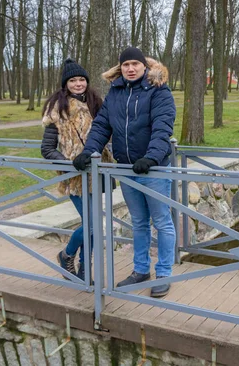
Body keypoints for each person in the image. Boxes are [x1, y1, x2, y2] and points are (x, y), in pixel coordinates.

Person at [73, 46, 177, 298]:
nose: (130, 69)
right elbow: (101, 126)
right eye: (126, 65)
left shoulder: (158, 91)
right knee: (139, 222)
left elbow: (163, 127)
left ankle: (163, 273)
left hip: (154, 168)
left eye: (135, 64)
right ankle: (140, 270)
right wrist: (89, 151)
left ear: (144, 66)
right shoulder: (115, 93)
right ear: (121, 69)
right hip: (126, 168)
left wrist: (151, 157)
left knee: (162, 221)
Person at [41, 58, 113, 280]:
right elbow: (46, 148)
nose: (78, 83)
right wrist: (68, 164)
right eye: (73, 80)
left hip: (98, 173)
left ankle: (83, 269)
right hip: (75, 177)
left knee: (91, 225)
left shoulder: (96, 103)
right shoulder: (58, 109)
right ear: (66, 84)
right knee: (92, 224)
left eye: (82, 79)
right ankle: (67, 255)